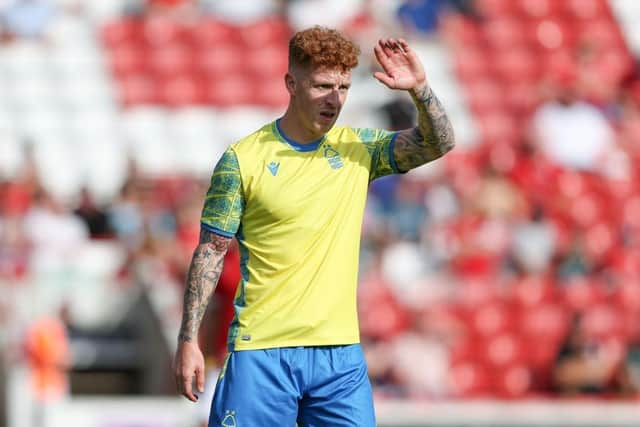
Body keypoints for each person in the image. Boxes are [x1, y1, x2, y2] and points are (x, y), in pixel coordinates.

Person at [173, 26, 454, 426]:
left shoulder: (360, 149)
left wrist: (420, 89)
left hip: (339, 357)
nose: (334, 98)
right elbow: (210, 252)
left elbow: (438, 143)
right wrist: (189, 340)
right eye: (322, 85)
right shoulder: (243, 159)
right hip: (263, 350)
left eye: (342, 86)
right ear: (291, 82)